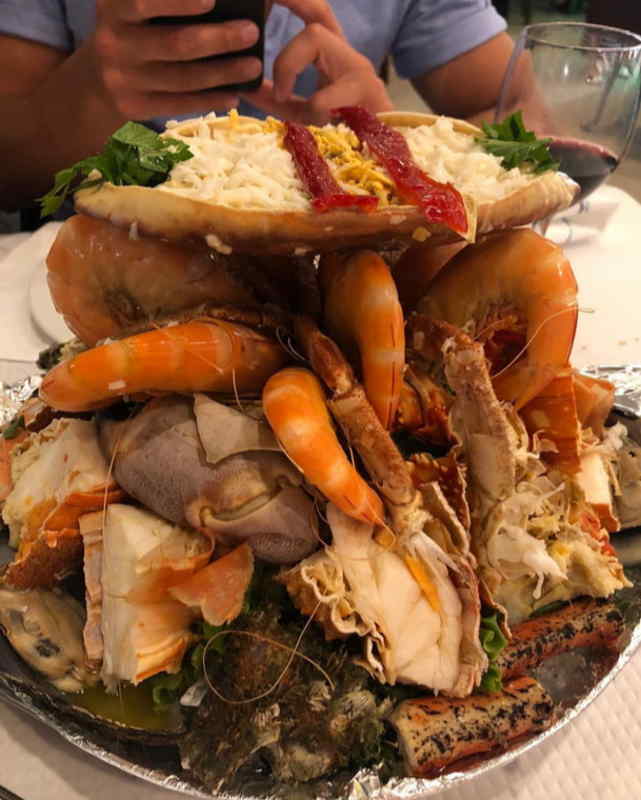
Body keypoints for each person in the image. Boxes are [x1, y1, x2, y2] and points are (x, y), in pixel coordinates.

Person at [0, 0, 520, 211]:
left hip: (344, 272)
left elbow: (524, 122)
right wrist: (88, 94)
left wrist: (392, 144)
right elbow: (6, 174)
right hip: (81, 280)